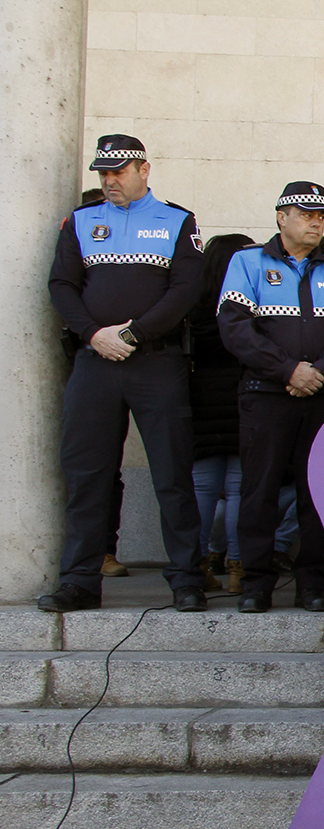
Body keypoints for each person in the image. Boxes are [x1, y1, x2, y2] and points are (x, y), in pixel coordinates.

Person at [43, 135, 206, 613]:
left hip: (156, 362)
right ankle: (78, 580)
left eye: (118, 171)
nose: (109, 180)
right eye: (103, 173)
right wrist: (94, 334)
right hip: (94, 362)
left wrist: (133, 334)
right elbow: (62, 284)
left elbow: (185, 289)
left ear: (144, 169)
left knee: (172, 474)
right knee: (86, 474)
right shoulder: (81, 221)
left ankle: (186, 578)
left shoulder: (178, 220)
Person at [218, 181, 324, 614]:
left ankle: (312, 583)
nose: (316, 221)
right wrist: (288, 370)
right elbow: (235, 329)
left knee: (319, 493)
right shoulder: (247, 262)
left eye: (320, 215)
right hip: (267, 394)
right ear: (281, 217)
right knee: (259, 490)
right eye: (306, 214)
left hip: (323, 395)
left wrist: (319, 371)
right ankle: (256, 582)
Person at [189, 233, 255, 595]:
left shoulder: (194, 303)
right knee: (238, 487)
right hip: (241, 398)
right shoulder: (245, 301)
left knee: (202, 487)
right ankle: (237, 568)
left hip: (201, 401)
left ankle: (196, 565)